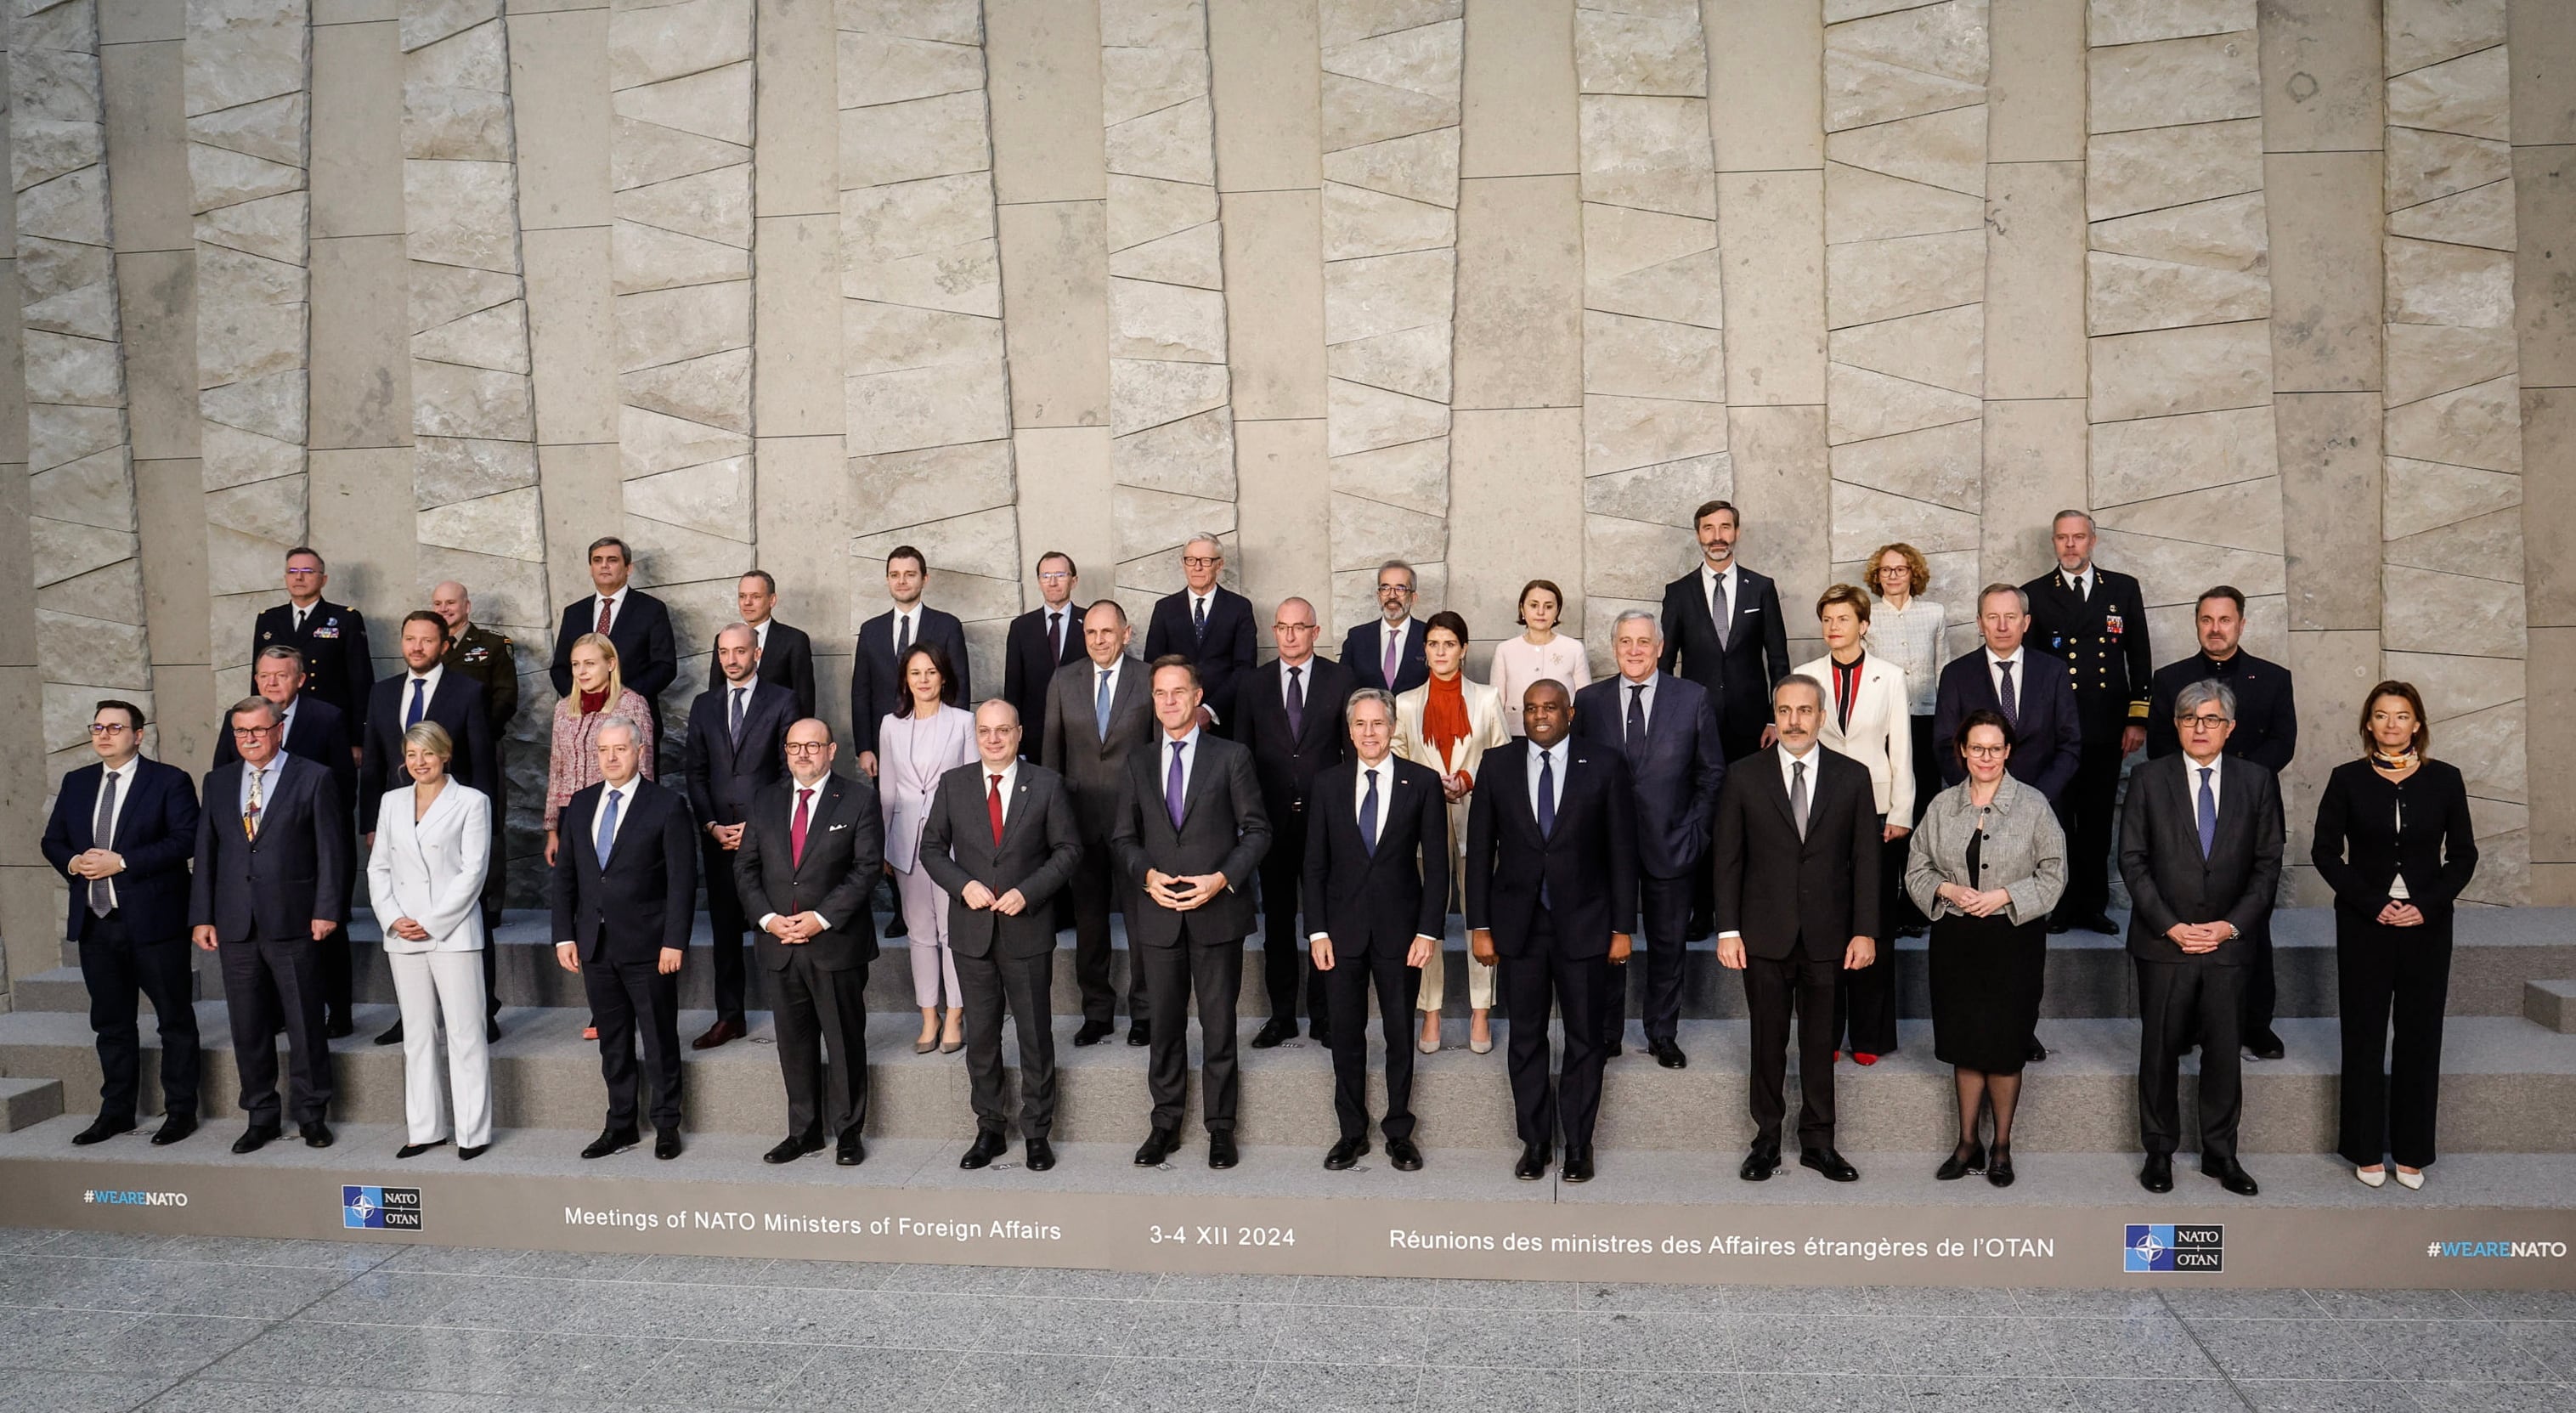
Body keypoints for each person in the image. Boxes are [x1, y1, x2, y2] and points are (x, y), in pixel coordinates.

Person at [1464, 680, 1636, 1184]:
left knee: (1586, 1039)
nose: (1540, 716)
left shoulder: (1603, 764)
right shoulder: (1497, 765)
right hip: (1520, 928)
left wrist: (1623, 927)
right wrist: (1481, 925)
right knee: (1525, 1038)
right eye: (1532, 708)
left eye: (1551, 708)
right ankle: (1535, 1141)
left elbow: (1623, 853)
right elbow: (1480, 856)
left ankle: (1578, 1143)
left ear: (1571, 712)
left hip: (1585, 925)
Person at [1712, 675, 1881, 1184]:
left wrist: (1865, 930)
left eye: (1804, 711)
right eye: (1784, 711)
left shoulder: (1852, 777)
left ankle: (1819, 1141)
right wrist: (1728, 931)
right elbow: (1727, 860)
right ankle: (1765, 1140)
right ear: (1775, 715)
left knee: (1819, 1041)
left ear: (1820, 717)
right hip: (1763, 935)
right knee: (1766, 1041)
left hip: (1830, 936)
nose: (1794, 721)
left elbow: (1867, 861)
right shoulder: (1744, 776)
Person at [2119, 679, 2283, 1197]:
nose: (2200, 728)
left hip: (2230, 944)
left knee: (2223, 1053)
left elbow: (2267, 865)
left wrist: (2231, 926)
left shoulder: (2257, 782)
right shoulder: (2148, 779)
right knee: (2160, 1050)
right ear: (2176, 725)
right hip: (2163, 943)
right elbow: (2132, 860)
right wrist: (2171, 925)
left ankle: (2220, 1154)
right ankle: (2160, 1152)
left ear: (2229, 728)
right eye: (2190, 718)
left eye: (2211, 719)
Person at [2313, 681, 2478, 1190]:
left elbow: (2464, 856)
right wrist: (2374, 905)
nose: (2391, 725)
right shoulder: (2346, 779)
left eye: (2402, 716)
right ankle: (2365, 1148)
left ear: (2418, 724)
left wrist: (2424, 907)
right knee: (2363, 1035)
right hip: (2365, 924)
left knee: (2420, 1035)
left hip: (2427, 926)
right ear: (2368, 723)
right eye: (2381, 716)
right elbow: (2325, 852)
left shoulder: (2446, 780)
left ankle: (2411, 1150)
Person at [1111, 656, 1271, 1170]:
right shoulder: (1137, 762)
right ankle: (1165, 1124)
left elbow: (1258, 831)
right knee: (1165, 1026)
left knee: (1220, 1026)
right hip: (1157, 913)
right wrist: (1147, 876)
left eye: (1179, 692)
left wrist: (1221, 879)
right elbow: (1123, 837)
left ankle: (1221, 1129)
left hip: (1215, 911)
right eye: (1160, 693)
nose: (1170, 701)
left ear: (1197, 696)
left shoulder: (1232, 756)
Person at [1905, 711, 2065, 1190]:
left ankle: (2001, 1148)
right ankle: (1967, 1142)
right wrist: (1948, 892)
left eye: (1995, 748)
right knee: (1965, 1042)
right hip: (1956, 940)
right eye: (1977, 748)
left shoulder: (2034, 805)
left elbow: (2054, 874)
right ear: (1964, 752)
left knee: (2004, 1045)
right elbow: (1916, 870)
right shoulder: (1942, 807)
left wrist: (2004, 896)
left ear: (2008, 752)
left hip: (2012, 940)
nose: (1986, 757)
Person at [920, 701, 1083, 1173]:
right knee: (983, 1039)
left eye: (1003, 731)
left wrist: (1027, 892)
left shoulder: (1047, 785)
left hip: (1025, 929)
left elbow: (1069, 850)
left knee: (1034, 1035)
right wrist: (962, 884)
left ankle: (1037, 1131)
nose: (994, 739)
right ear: (976, 735)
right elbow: (931, 847)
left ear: (1019, 733)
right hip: (971, 933)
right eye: (985, 731)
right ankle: (990, 1128)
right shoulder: (954, 785)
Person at [192, 696, 350, 1153]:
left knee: (304, 1022)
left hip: (294, 919)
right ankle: (260, 1115)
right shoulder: (218, 782)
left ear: (278, 730)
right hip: (235, 922)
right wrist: (202, 916)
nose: (250, 739)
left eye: (258, 731)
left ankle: (311, 1114)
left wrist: (327, 910)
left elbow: (331, 852)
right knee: (248, 1025)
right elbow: (207, 854)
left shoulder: (314, 776)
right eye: (241, 732)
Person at [2147, 585, 2299, 1059]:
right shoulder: (2171, 679)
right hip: (2187, 812)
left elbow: (2283, 742)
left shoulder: (2273, 679)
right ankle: (2190, 1024)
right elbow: (2158, 745)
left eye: (2225, 620)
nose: (2216, 628)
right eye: (2207, 620)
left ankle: (2256, 1024)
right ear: (2197, 624)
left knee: (2250, 913)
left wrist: (2237, 778)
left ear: (2241, 624)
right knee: (2190, 908)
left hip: (2251, 809)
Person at [42, 700, 203, 1146]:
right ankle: (115, 1112)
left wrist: (123, 862)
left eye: (115, 727)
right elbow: (52, 840)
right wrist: (74, 862)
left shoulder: (169, 780)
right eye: (98, 726)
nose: (104, 734)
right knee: (111, 1024)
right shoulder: (76, 783)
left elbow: (186, 839)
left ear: (139, 734)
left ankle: (181, 1112)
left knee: (174, 1019)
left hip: (154, 923)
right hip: (97, 923)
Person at [1571, 610, 1723, 1068]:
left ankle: (1662, 1032)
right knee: (1606, 944)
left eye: (1643, 642)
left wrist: (1695, 831)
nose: (1634, 650)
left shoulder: (1691, 697)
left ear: (1659, 647)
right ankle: (1606, 1034)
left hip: (1671, 841)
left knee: (1667, 943)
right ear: (1613, 647)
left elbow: (1711, 773)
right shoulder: (1589, 700)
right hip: (1603, 850)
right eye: (1625, 642)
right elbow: (1574, 773)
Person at [1302, 688, 1445, 1172]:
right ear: (1350, 730)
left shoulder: (1421, 783)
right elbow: (1314, 866)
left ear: (1392, 728)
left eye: (1378, 724)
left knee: (1401, 1033)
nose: (1369, 733)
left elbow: (1439, 867)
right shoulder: (1328, 784)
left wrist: (1428, 932)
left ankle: (1399, 1132)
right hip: (1339, 934)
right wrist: (1317, 931)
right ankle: (1351, 1133)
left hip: (1401, 933)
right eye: (1360, 724)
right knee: (1345, 1033)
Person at [735, 718, 883, 1167]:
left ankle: (848, 1131)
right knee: (793, 1044)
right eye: (794, 746)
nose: (802, 754)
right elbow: (745, 868)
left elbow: (867, 868)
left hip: (834, 945)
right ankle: (804, 1132)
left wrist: (820, 919)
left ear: (831, 750)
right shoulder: (766, 799)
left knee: (843, 1042)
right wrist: (767, 920)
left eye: (812, 746)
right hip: (779, 944)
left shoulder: (858, 800)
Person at [551, 715, 695, 1161]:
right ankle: (621, 1125)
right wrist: (563, 936)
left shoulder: (667, 805)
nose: (611, 758)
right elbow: (566, 879)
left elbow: (682, 881)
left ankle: (667, 1123)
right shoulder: (580, 803)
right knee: (613, 1041)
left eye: (620, 749)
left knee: (658, 1037)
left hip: (649, 945)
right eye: (603, 751)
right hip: (594, 944)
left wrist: (675, 941)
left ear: (639, 752)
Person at [359, 611, 499, 1048]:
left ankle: (484, 1010)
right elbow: (375, 764)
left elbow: (481, 761)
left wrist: (480, 822)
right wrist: (370, 824)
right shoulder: (382, 693)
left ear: (444, 646)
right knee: (403, 904)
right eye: (409, 639)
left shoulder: (468, 691)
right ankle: (411, 1014)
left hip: (454, 818)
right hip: (397, 818)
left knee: (468, 912)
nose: (416, 647)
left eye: (426, 640)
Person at [1794, 585, 1915, 1065]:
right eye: (1826, 619)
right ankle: (1825, 1034)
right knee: (1824, 926)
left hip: (1877, 810)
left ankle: (1871, 1035)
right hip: (1819, 812)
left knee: (1874, 923)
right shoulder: (1805, 675)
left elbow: (1901, 748)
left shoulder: (1890, 676)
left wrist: (1902, 813)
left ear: (1864, 625)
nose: (1833, 627)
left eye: (1843, 618)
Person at [363, 721, 494, 1161]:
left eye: (428, 754)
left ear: (445, 755)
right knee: (417, 1035)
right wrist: (394, 918)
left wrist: (431, 921)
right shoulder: (391, 802)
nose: (420, 763)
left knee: (465, 1033)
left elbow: (473, 872)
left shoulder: (472, 802)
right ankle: (425, 1129)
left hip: (453, 932)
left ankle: (473, 1132)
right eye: (412, 755)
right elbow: (378, 867)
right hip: (402, 934)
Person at [214, 645, 359, 1037]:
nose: (272, 682)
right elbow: (224, 782)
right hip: (260, 855)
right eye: (264, 675)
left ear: (300, 679)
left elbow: (344, 786)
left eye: (280, 675)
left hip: (315, 848)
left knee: (329, 934)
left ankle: (340, 1012)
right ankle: (278, 1012)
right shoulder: (240, 720)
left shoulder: (326, 717)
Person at [2023, 510, 2153, 935]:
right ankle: (2058, 905)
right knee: (2057, 819)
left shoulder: (2122, 588)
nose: (2071, 545)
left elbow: (2140, 656)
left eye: (2079, 537)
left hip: (2106, 726)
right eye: (2063, 538)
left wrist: (2138, 720)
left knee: (2097, 820)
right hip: (2056, 729)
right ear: (2054, 543)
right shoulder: (2035, 594)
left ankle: (2092, 905)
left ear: (2092, 540)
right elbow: (2031, 668)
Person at [1239, 596, 1353, 1048]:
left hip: (1325, 824)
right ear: (1274, 631)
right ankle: (1282, 1015)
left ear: (1315, 632)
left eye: (1299, 627)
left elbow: (1350, 755)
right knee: (1280, 924)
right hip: (1271, 824)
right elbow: (1242, 759)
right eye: (1283, 627)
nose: (1289, 635)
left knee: (1325, 921)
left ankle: (1324, 1016)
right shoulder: (1253, 685)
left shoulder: (1341, 679)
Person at [1041, 599, 1156, 1045]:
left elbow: (1158, 755)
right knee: (1089, 922)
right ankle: (1098, 1012)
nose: (1098, 640)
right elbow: (1052, 757)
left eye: (1107, 632)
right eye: (1090, 633)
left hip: (1136, 824)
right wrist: (1052, 824)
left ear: (1126, 634)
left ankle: (1144, 1011)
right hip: (1080, 822)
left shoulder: (1148, 679)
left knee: (1142, 919)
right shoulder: (1063, 680)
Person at [1394, 610, 1510, 1054]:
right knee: (1428, 922)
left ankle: (1481, 1011)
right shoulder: (1404, 703)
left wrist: (1468, 778)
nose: (1441, 652)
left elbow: (1501, 757)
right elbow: (1399, 762)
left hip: (1477, 824)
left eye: (1449, 644)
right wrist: (1429, 785)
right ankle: (1432, 1013)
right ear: (1424, 651)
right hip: (1421, 829)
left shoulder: (1486, 697)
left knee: (1481, 917)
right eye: (1433, 644)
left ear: (1463, 649)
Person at [681, 623, 796, 1051]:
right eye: (724, 652)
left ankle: (790, 1017)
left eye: (740, 651)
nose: (731, 659)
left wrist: (758, 826)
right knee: (725, 933)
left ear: (757, 654)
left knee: (774, 925)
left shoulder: (783, 700)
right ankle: (729, 1018)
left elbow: (789, 772)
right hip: (719, 837)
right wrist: (711, 825)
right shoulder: (703, 704)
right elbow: (694, 771)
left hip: (766, 836)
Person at [545, 632, 657, 1041]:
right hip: (577, 819)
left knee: (616, 905)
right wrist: (552, 826)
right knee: (583, 904)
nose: (582, 672)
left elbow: (644, 768)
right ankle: (601, 1006)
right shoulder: (564, 709)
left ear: (611, 663)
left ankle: (627, 1003)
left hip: (619, 817)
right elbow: (557, 767)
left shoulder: (631, 705)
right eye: (576, 665)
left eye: (589, 663)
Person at [878, 642, 978, 1054]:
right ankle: (928, 1015)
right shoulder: (890, 725)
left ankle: (956, 1014)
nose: (923, 680)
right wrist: (886, 843)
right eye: (915, 673)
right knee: (919, 933)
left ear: (944, 677)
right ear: (905, 678)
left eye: (931, 672)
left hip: (951, 843)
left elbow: (971, 787)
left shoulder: (964, 722)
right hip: (905, 841)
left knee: (950, 930)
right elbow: (887, 788)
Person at [432, 579, 517, 1003]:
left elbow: (506, 696)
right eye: (439, 603)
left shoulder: (492, 645)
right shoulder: (430, 643)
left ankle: (491, 900)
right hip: (433, 757)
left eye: (452, 602)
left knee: (488, 821)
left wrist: (478, 734)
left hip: (480, 748)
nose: (445, 608)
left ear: (467, 605)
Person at [1659, 499, 1790, 763]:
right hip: (1695, 718)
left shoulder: (1761, 588)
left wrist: (1774, 719)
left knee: (1750, 797)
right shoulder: (1678, 593)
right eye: (1708, 528)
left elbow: (1778, 659)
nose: (1717, 537)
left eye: (1725, 527)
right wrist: (1668, 717)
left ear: (1737, 532)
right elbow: (1665, 662)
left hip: (1753, 724)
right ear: (1698, 535)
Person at [1862, 542, 1946, 937]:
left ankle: (1914, 904)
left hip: (1926, 719)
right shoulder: (1868, 616)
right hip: (1883, 725)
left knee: (1923, 807)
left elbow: (1942, 667)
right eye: (1886, 570)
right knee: (1890, 808)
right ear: (1877, 576)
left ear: (1914, 573)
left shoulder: (1934, 613)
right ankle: (1882, 903)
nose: (1893, 576)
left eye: (1901, 569)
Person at [850, 544, 972, 780]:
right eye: (895, 575)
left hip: (938, 742)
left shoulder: (947, 626)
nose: (902, 581)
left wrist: (954, 741)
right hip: (885, 744)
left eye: (910, 574)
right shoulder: (870, 630)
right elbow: (861, 693)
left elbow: (960, 686)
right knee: (888, 810)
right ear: (887, 579)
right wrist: (864, 748)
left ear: (925, 579)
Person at [549, 536, 678, 751]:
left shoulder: (651, 609)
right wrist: (580, 700)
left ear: (629, 568)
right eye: (597, 560)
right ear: (591, 568)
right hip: (582, 723)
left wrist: (620, 699)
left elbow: (665, 666)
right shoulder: (574, 613)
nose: (604, 566)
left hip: (633, 722)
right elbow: (560, 668)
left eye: (612, 560)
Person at [251, 545, 373, 742]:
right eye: (292, 571)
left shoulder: (345, 619)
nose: (299, 577)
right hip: (277, 726)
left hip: (327, 726)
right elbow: (257, 679)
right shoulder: (269, 619)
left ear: (323, 579)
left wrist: (358, 739)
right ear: (285, 578)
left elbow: (361, 683)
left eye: (307, 572)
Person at [1142, 533, 1258, 738]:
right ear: (1183, 563)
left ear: (1219, 565)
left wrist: (1209, 710)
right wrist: (1181, 708)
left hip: (1225, 720)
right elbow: (1154, 665)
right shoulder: (1165, 609)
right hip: (1174, 720)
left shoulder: (1239, 608)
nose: (1197, 567)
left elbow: (1245, 668)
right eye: (1191, 560)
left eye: (1205, 561)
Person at [1003, 551, 1087, 760]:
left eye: (1060, 575)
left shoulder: (1090, 622)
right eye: (1046, 576)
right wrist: (1017, 746)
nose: (1053, 582)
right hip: (1035, 738)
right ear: (1039, 582)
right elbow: (1014, 688)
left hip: (1083, 737)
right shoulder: (1021, 627)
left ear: (1074, 581)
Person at [708, 569, 817, 721]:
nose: (747, 602)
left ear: (772, 600)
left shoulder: (794, 640)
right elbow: (716, 693)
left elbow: (804, 700)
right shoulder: (723, 638)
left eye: (755, 597)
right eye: (742, 596)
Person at [1489, 578, 1591, 738]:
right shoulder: (1505, 650)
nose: (1541, 612)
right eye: (1534, 605)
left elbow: (1586, 701)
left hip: (1564, 737)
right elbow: (1496, 705)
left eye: (1549, 606)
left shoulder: (1573, 649)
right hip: (1515, 735)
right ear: (1522, 609)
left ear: (1557, 611)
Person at [1341, 559, 1429, 693]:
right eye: (1385, 588)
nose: (1392, 595)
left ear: (1413, 597)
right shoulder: (1357, 638)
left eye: (1400, 588)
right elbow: (1343, 688)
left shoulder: (1429, 635)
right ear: (1379, 596)